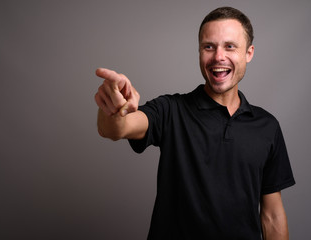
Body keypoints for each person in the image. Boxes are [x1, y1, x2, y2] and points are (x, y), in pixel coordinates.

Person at [94, 6, 295, 240]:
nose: (218, 56)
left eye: (230, 46)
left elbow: (271, 214)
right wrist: (113, 108)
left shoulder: (267, 126)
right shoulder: (170, 110)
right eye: (209, 46)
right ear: (200, 51)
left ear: (249, 53)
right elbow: (117, 128)